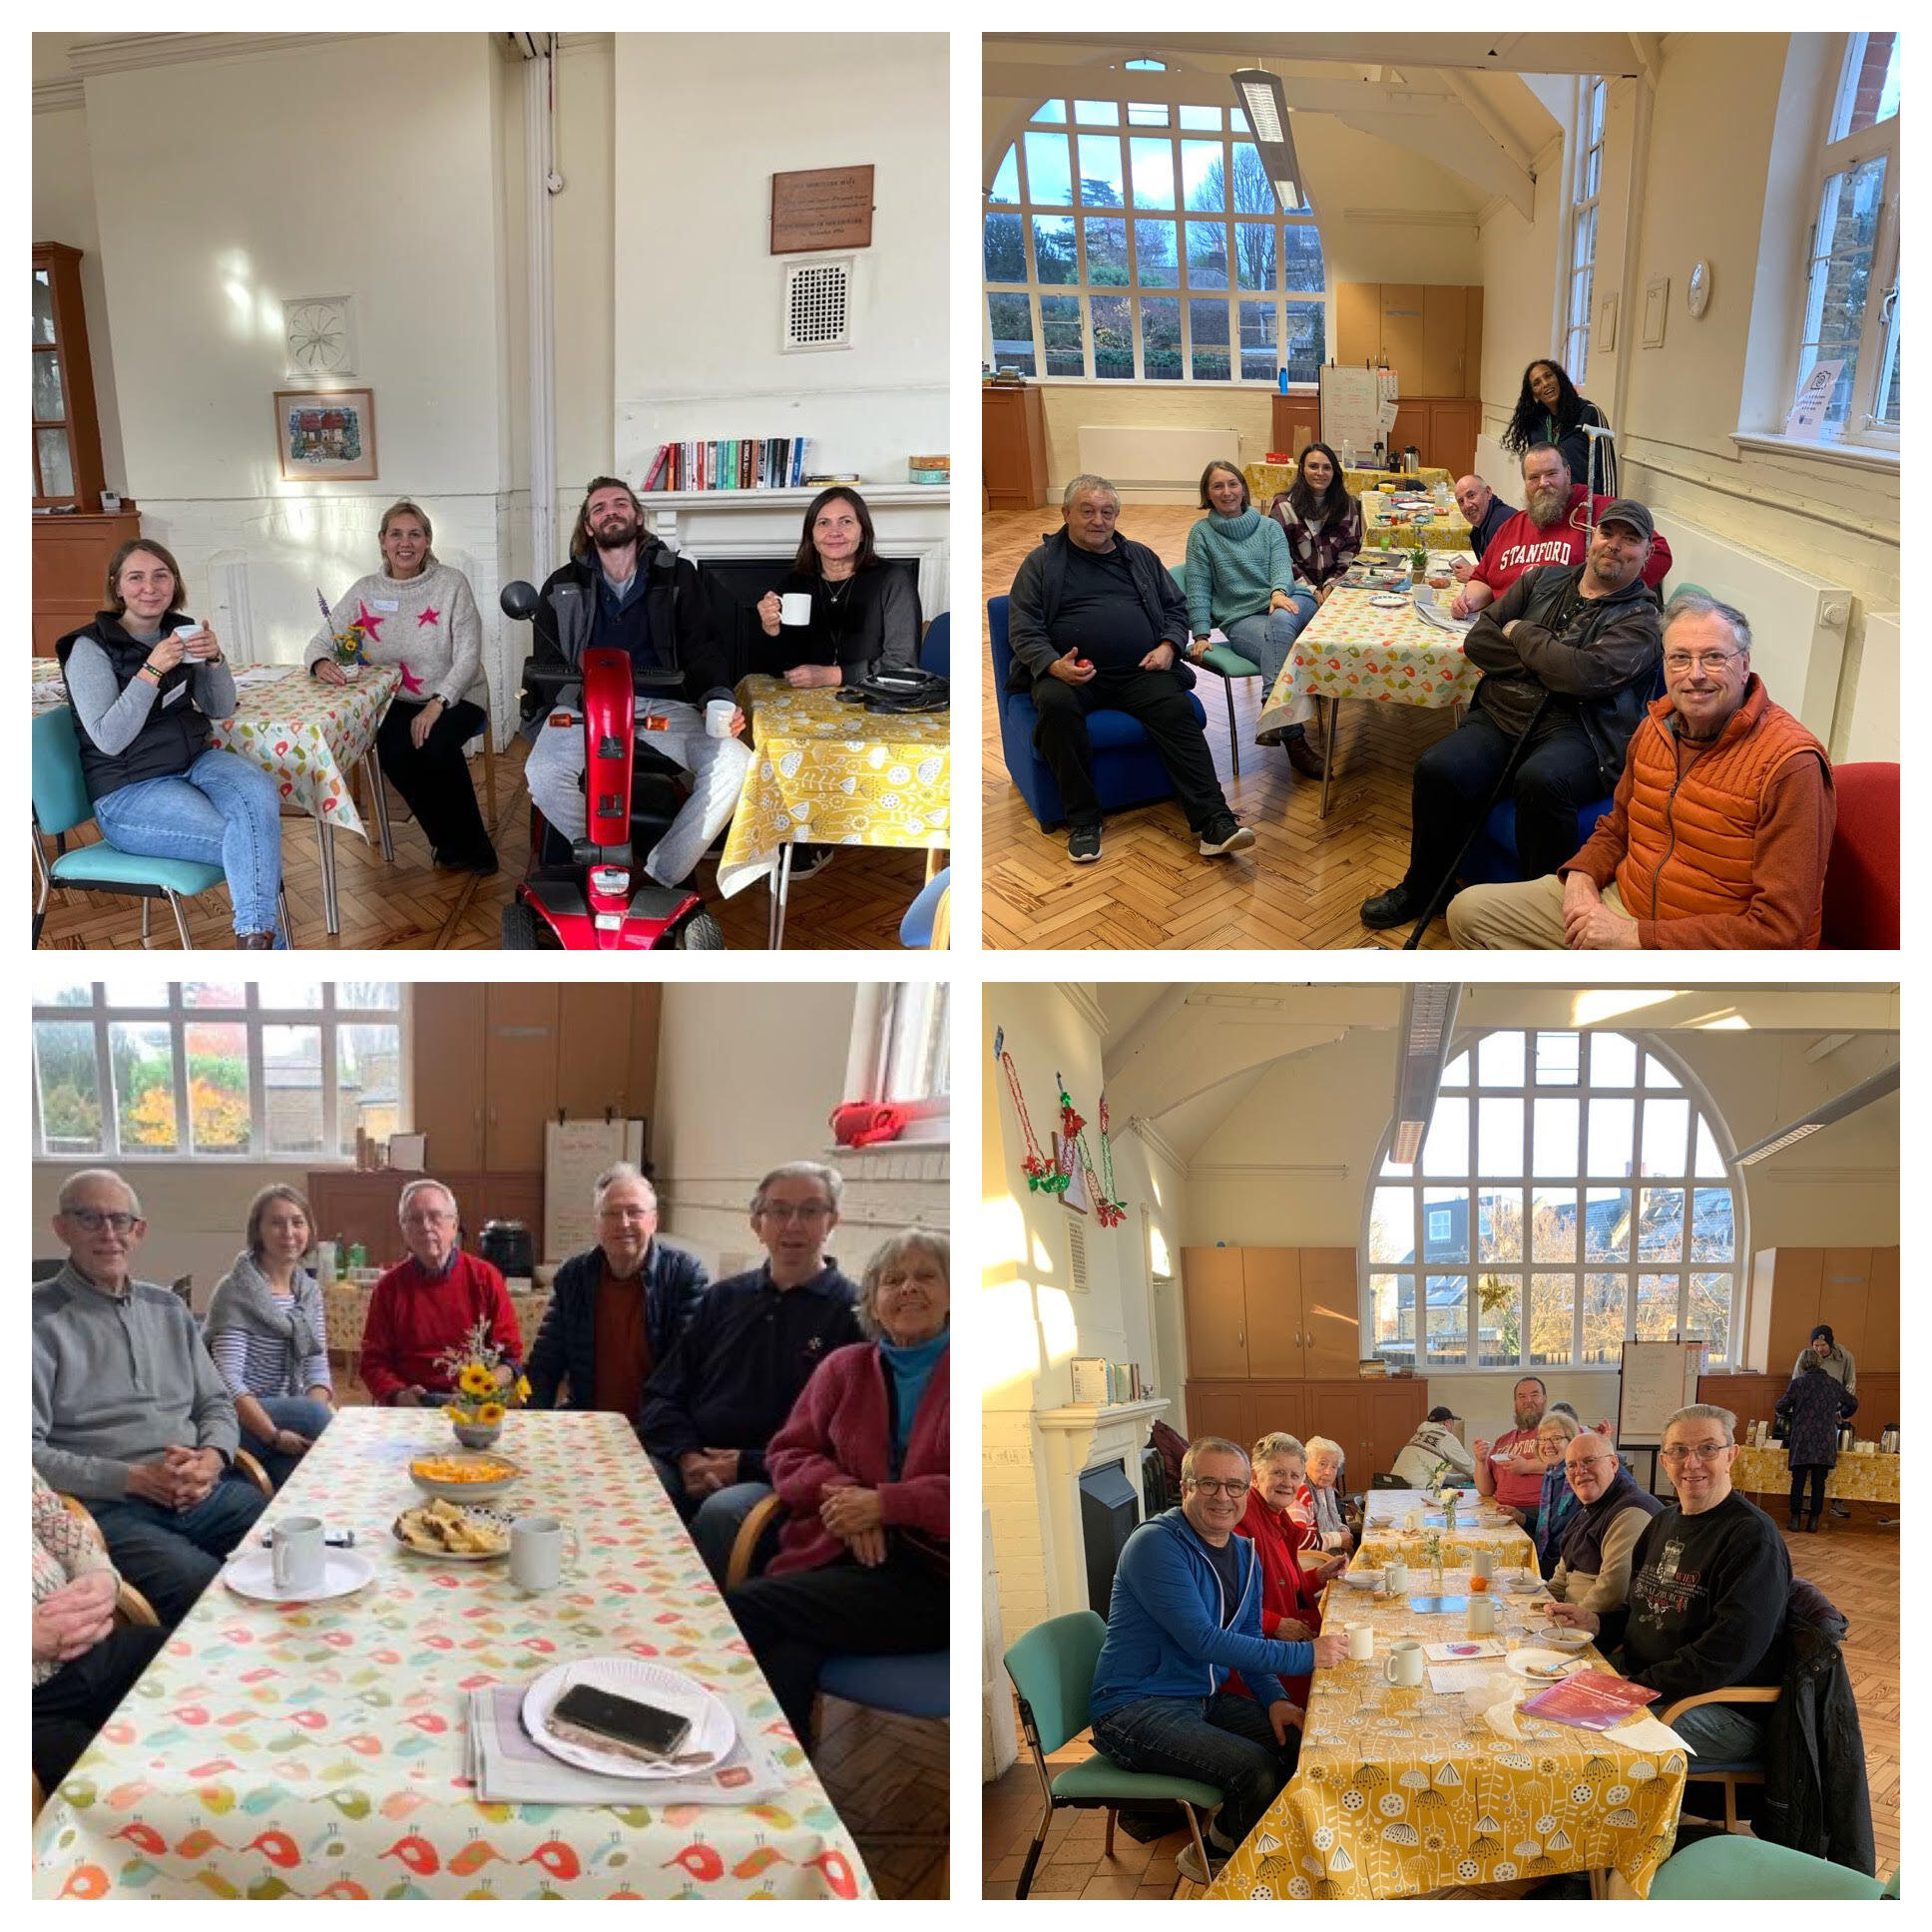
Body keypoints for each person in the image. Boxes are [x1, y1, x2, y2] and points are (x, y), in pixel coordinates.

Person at [1447, 595, 1837, 950]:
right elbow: (1618, 827)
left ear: (1745, 664)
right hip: (1623, 901)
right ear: (1663, 664)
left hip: (1701, 946)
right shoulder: (1657, 724)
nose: (1695, 674)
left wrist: (1634, 936)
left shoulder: (1790, 765)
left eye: (1714, 658)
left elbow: (1779, 932)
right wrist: (1581, 878)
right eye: (1680, 658)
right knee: (1469, 914)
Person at [1361, 504, 1665, 931]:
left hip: (1581, 731)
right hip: (1501, 715)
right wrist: (1552, 665)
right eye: (1607, 532)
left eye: (1629, 539)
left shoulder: (1644, 621)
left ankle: (1539, 913)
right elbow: (1480, 641)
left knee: (1542, 780)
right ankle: (1425, 886)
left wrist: (1523, 633)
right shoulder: (1541, 579)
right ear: (1591, 537)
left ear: (1646, 553)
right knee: (1438, 767)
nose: (1614, 545)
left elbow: (1583, 678)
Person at [1088, 1436, 1349, 1886]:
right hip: (1133, 1708)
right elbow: (1203, 1640)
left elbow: (1245, 1635)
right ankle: (1236, 1873)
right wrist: (1306, 1655)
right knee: (1255, 1770)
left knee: (1299, 1741)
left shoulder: (1244, 1553)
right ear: (1185, 1488)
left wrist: (1274, 1699)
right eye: (1208, 1484)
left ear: (1247, 1488)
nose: (1223, 1497)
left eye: (1233, 1485)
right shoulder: (1155, 1544)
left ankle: (1226, 1847)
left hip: (1200, 1697)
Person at [724, 1230, 949, 1753]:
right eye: (893, 1280)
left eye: (925, 1276)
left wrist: (885, 1504)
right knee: (789, 1657)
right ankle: (783, 1790)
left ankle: (743, 1767)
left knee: (743, 1610)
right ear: (872, 1300)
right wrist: (851, 1500)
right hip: (837, 1560)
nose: (909, 1289)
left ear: (949, 1292)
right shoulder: (843, 1368)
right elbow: (788, 1453)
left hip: (930, 1579)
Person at [32, 1170, 267, 1627]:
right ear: (62, 1227)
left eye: (120, 1220)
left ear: (138, 1231)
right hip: (113, 1510)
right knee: (205, 1592)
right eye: (89, 1219)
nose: (108, 1234)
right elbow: (24, 1456)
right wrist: (133, 1479)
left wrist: (213, 1458)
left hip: (201, 1491)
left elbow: (216, 1402)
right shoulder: (32, 1320)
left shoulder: (169, 1309)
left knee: (285, 1547)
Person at [1005, 473, 1256, 865]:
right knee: (1054, 706)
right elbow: (1023, 627)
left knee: (1176, 707)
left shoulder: (1138, 556)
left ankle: (1215, 822)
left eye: (1107, 512)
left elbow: (1175, 608)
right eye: (1087, 511)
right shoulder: (1041, 564)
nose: (1098, 520)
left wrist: (1170, 645)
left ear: (1117, 515)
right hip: (1071, 676)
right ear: (1066, 512)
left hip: (1139, 669)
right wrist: (1052, 665)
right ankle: (1084, 820)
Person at [522, 476, 750, 886]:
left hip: (664, 703)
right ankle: (604, 857)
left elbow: (704, 646)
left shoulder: (679, 576)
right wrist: (580, 700)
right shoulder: (560, 585)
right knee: (543, 773)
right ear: (589, 526)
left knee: (737, 763)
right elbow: (549, 662)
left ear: (637, 516)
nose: (611, 511)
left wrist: (716, 698)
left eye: (620, 503)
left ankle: (661, 872)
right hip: (586, 705)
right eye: (599, 507)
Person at [55, 539, 284, 948]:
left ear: (174, 583)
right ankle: (258, 941)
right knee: (252, 843)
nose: (150, 586)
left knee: (259, 791)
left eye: (161, 575)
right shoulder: (88, 648)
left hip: (195, 762)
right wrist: (150, 671)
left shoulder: (180, 631)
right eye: (136, 577)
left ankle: (254, 938)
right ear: (117, 587)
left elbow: (219, 706)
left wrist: (215, 661)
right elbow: (109, 739)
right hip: (129, 790)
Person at [642, 1163, 865, 1582]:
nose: (793, 1224)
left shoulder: (853, 1315)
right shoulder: (722, 1299)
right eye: (778, 1211)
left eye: (811, 1211)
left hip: (776, 1476)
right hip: (691, 1457)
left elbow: (848, 1443)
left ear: (833, 1222)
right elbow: (663, 1392)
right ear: (757, 1223)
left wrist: (746, 1466)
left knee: (722, 1514)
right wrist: (687, 1455)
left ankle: (708, 1631)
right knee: (637, 1484)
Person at [1549, 1404, 1791, 1759]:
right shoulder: (1661, 1524)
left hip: (1717, 1706)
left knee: (1580, 1742)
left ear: (1731, 1456)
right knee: (1544, 1689)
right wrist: (1597, 1622)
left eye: (1707, 1449)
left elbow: (1728, 1652)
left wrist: (1638, 1688)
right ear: (1665, 1462)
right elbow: (1639, 1609)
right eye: (1678, 1451)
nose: (1691, 1463)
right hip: (1650, 1682)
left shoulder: (1752, 1538)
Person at [305, 499, 496, 874]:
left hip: (457, 695)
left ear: (427, 541)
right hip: (399, 699)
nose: (404, 543)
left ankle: (477, 849)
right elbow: (319, 641)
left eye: (414, 534)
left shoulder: (451, 583)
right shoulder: (365, 589)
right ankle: (446, 840)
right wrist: (321, 662)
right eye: (396, 534)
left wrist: (437, 703)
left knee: (437, 746)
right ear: (382, 541)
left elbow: (469, 656)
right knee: (395, 753)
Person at [524, 1164, 710, 1432]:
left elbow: (686, 1370)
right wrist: (532, 1425)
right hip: (587, 1423)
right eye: (611, 1214)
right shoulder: (573, 1275)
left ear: (654, 1220)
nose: (623, 1224)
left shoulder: (683, 1274)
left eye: (634, 1212)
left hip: (657, 1431)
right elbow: (546, 1361)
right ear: (596, 1224)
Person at [33, 1470, 168, 1795]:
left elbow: (47, 1515)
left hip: (88, 1650)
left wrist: (98, 1573)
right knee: (124, 1787)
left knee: (187, 1659)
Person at [1183, 460, 1320, 774]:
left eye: (1232, 483)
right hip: (1242, 617)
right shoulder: (1201, 534)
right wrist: (1201, 634)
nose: (1227, 491)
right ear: (1207, 492)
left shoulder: (1268, 526)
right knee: (1285, 647)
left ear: (1243, 488)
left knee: (1282, 619)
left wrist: (1277, 593)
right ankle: (1295, 741)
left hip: (1289, 598)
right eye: (1217, 486)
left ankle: (1270, 707)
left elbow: (1281, 569)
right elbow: (1199, 586)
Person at [204, 1185, 334, 1490]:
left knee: (304, 1481)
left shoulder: (308, 1290)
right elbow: (228, 1382)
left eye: (297, 1222)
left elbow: (317, 1367)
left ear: (309, 1230)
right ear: (257, 1231)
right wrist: (274, 1435)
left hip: (289, 1415)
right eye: (276, 1223)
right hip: (238, 1418)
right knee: (320, 1419)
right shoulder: (236, 1291)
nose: (289, 1232)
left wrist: (308, 1433)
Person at [1450, 444, 1670, 619]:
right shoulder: (1512, 525)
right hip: (1506, 629)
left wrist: (1607, 592)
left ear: (1567, 473)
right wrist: (1467, 602)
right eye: (1534, 477)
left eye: (1551, 474)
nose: (1543, 483)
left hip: (1567, 634)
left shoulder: (1597, 510)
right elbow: (1483, 578)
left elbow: (1659, 552)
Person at [359, 1180, 522, 1407]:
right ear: (404, 1230)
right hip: (411, 1404)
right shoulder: (389, 1288)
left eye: (435, 1216)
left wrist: (480, 1392)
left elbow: (511, 1358)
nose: (426, 1226)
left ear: (454, 1225)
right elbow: (373, 1362)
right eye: (415, 1219)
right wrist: (399, 1394)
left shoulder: (486, 1277)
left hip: (475, 1404)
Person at [754, 487, 918, 686]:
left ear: (863, 532)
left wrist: (832, 676)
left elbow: (902, 666)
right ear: (811, 536)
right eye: (824, 523)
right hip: (805, 702)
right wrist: (771, 629)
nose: (834, 532)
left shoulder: (893, 579)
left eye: (846, 521)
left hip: (872, 701)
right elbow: (777, 669)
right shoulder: (794, 582)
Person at [1227, 1432, 1343, 1711]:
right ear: (1255, 1476)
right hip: (1255, 1660)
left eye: (1295, 1475)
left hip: (1283, 1635)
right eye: (1278, 1473)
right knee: (1339, 1684)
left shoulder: (1276, 1518)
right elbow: (1226, 1605)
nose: (1288, 1483)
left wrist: (1319, 1575)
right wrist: (1276, 1624)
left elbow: (1282, 1584)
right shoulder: (1239, 1524)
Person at [1548, 1433, 1664, 1613]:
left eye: (1589, 1460)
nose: (1580, 1471)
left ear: (1614, 1463)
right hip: (1570, 1617)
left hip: (1596, 1628)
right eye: (1571, 1466)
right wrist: (1537, 1607)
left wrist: (1569, 1626)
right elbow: (1559, 1581)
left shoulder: (1631, 1512)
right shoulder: (1588, 1510)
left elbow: (1612, 1592)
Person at [1501, 358, 1619, 498]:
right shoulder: (1535, 425)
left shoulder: (1589, 413)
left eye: (1548, 376)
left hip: (1584, 506)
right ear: (1533, 394)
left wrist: (1608, 511)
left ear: (1559, 378)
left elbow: (1607, 472)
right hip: (1550, 505)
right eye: (1537, 383)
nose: (1545, 384)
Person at [1775, 1349, 1860, 1533]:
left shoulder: (1798, 1384)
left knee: (1797, 1481)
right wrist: (1840, 1415)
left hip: (1802, 1438)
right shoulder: (1833, 1383)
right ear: (1821, 1363)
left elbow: (1780, 1406)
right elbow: (1853, 1403)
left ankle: (1795, 1519)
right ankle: (1814, 1520)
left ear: (1803, 1364)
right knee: (1819, 1482)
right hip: (1824, 1439)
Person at [1470, 1376, 1551, 1538]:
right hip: (1500, 1511)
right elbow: (1485, 1490)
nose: (1528, 1400)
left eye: (1534, 1395)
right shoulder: (1503, 1441)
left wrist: (1527, 1466)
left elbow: (1569, 1463)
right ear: (1515, 1404)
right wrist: (1480, 1460)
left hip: (1539, 1512)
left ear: (1544, 1400)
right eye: (1522, 1397)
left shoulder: (1556, 1432)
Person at [1794, 1322, 1858, 1519]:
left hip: (1835, 1409)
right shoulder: (1806, 1356)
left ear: (1830, 1343)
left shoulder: (1844, 1356)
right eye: (1815, 1345)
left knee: (1832, 1459)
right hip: (1809, 1414)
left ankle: (1837, 1500)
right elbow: (1796, 1381)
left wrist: (1841, 1412)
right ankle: (1806, 1499)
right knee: (1806, 1461)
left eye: (1822, 1345)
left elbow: (1851, 1383)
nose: (1819, 1349)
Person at [1530, 1411, 1584, 1578]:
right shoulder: (1550, 1475)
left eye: (1556, 1438)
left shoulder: (1577, 1476)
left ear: (1572, 1442)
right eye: (1543, 1439)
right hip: (1550, 1557)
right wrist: (1521, 1517)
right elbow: (1551, 1527)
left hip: (1570, 1565)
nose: (1548, 1445)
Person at [1391, 1406, 1477, 1488]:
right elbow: (1470, 1468)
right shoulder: (1445, 1437)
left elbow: (1428, 1475)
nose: (1452, 1428)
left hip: (1394, 1487)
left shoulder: (1418, 1436)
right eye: (1452, 1424)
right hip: (1415, 1492)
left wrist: (1463, 1477)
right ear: (1446, 1423)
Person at [1301, 1436, 1355, 1554]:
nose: (1328, 1472)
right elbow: (1300, 1541)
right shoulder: (1301, 1492)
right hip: (1316, 1559)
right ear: (1306, 1462)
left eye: (1334, 1467)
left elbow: (1334, 1522)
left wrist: (1342, 1530)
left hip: (1332, 1553)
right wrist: (1338, 1539)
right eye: (1322, 1464)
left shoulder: (1328, 1489)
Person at [1451, 474, 1516, 570]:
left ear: (1488, 492)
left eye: (1471, 496)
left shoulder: (1501, 523)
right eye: (1461, 501)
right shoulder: (1482, 523)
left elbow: (1507, 574)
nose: (1466, 505)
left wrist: (1476, 575)